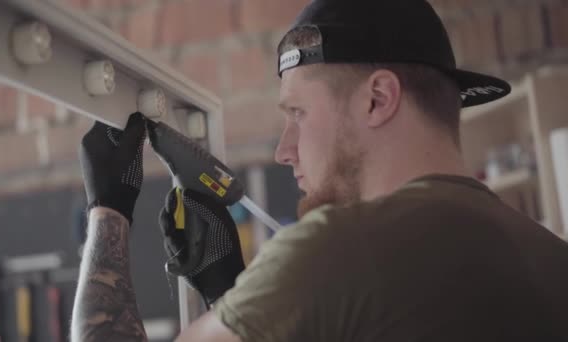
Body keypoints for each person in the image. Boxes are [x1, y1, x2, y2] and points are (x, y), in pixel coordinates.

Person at [71, 0, 568, 341]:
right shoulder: (550, 256)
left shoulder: (340, 249)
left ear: (378, 99)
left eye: (298, 114)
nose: (285, 151)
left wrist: (108, 212)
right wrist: (230, 293)